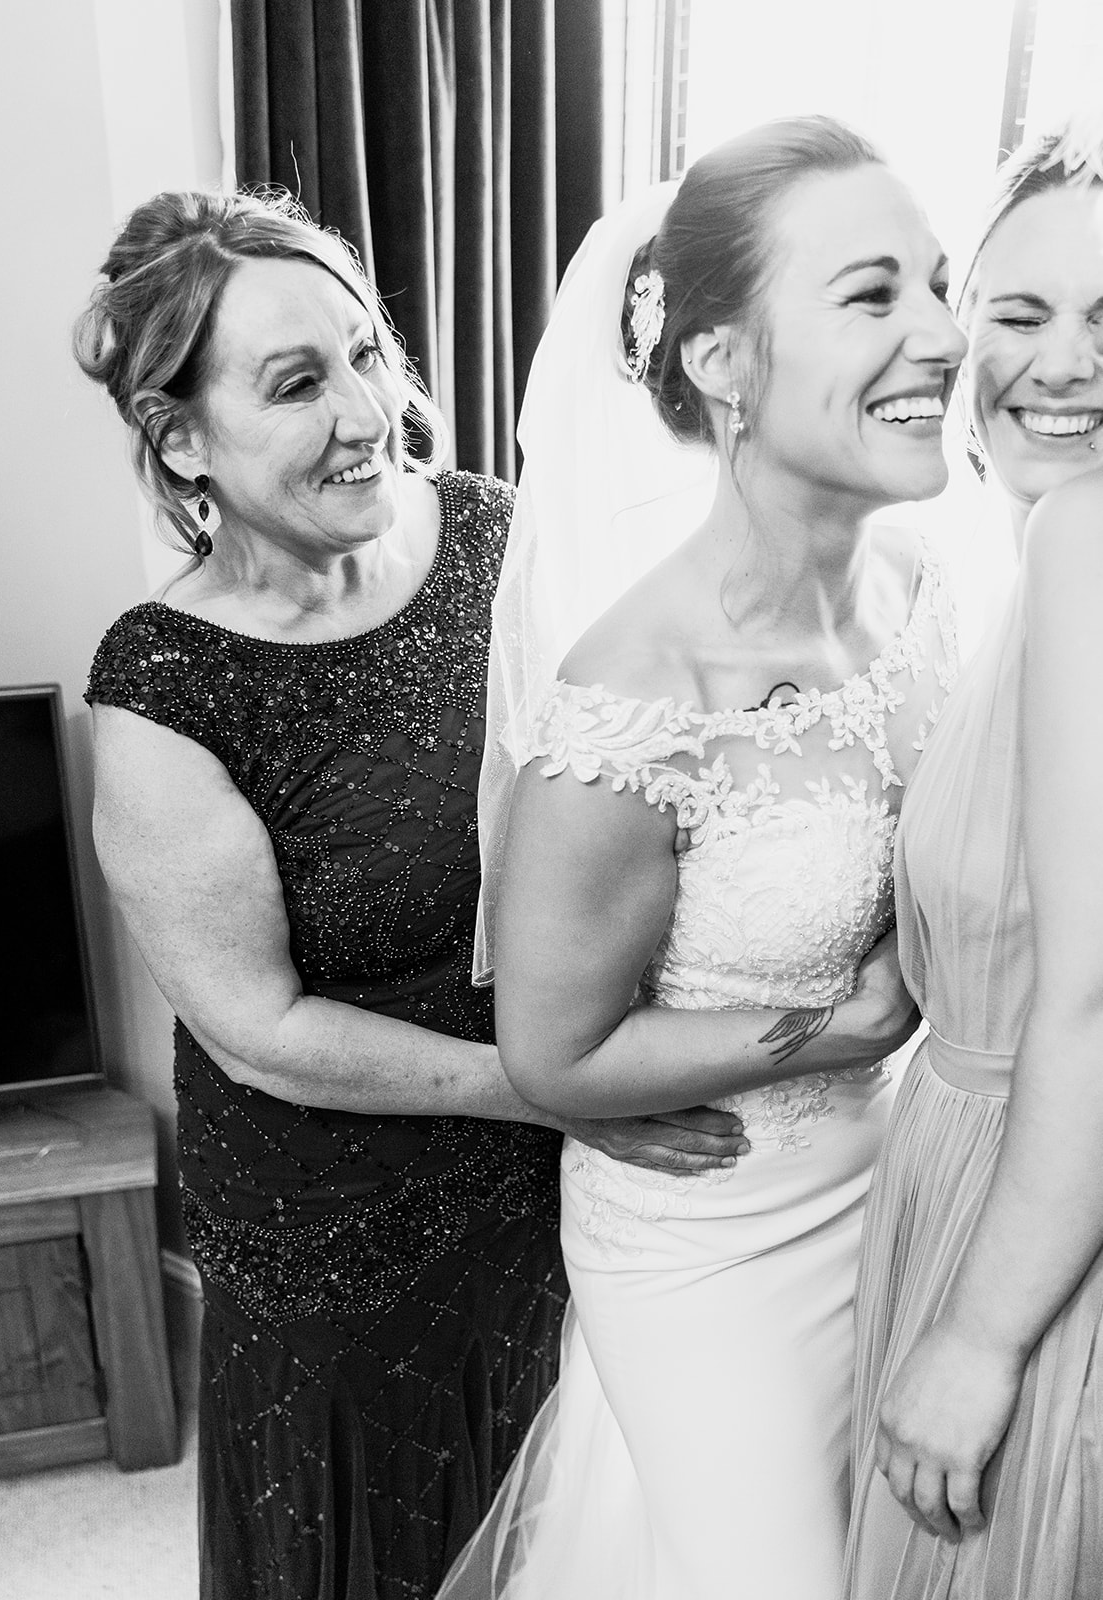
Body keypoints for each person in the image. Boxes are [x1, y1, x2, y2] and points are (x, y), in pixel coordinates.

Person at [73, 189, 752, 1600]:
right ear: (180, 438)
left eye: (367, 354)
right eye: (295, 384)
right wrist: (552, 1088)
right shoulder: (166, 688)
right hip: (339, 1236)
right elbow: (260, 1030)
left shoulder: (504, 541)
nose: (365, 411)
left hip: (562, 1171)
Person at [440, 116, 967, 1600]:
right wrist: (846, 1025)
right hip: (714, 1243)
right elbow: (551, 1053)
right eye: (872, 295)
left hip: (909, 1186)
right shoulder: (631, 705)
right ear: (721, 359)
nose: (944, 336)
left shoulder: (926, 588)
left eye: (940, 285)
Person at [845, 121, 1103, 1598]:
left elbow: (1092, 998)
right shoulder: (1023, 558)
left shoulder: (1084, 542)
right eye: (1020, 312)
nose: (1061, 364)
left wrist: (982, 1336)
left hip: (1035, 1217)